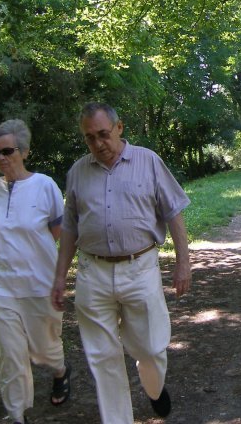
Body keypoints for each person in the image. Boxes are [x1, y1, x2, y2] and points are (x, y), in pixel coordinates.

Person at [51, 102, 191, 423]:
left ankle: (154, 390)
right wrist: (60, 277)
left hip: (139, 268)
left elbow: (174, 212)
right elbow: (70, 227)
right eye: (90, 138)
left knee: (151, 349)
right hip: (92, 273)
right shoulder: (77, 172)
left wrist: (184, 263)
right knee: (102, 358)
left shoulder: (148, 161)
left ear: (119, 128)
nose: (99, 144)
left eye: (103, 134)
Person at [0, 119, 71, 424]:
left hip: (39, 283)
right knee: (9, 354)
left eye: (8, 151)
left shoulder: (45, 186)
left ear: (24, 151)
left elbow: (58, 232)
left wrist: (34, 255)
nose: (1, 158)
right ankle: (17, 415)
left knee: (46, 349)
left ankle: (60, 371)